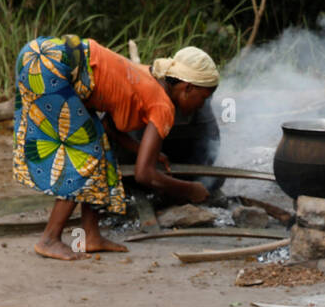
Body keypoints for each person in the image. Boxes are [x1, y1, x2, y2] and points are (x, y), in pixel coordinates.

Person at [11, 36, 218, 260]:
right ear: (187, 88)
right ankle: (49, 239)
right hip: (51, 67)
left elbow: (109, 126)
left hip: (40, 54)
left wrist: (142, 150)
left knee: (101, 149)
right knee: (85, 157)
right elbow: (144, 175)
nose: (202, 105)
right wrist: (190, 190)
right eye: (203, 97)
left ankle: (91, 236)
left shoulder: (148, 77)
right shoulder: (163, 106)